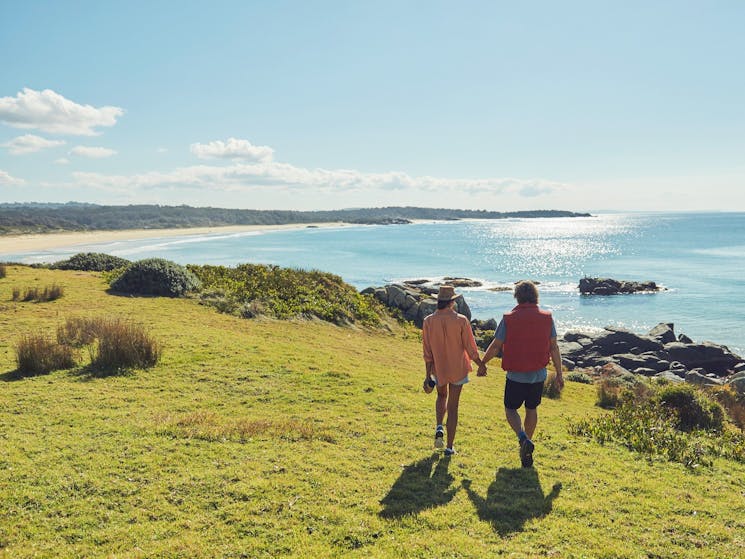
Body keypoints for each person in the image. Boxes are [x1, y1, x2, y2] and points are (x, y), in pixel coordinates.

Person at [478, 280, 563, 467]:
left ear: (517, 296)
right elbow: (554, 347)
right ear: (535, 296)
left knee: (510, 409)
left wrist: (482, 363)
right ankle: (526, 447)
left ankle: (523, 439)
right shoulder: (547, 318)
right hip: (538, 375)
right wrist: (559, 373)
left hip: (516, 375)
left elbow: (496, 346)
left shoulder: (508, 318)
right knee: (531, 409)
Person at [422, 285, 484, 456]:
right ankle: (449, 447)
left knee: (441, 396)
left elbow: (427, 353)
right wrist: (481, 364)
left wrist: (427, 376)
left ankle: (439, 426)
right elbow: (470, 347)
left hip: (438, 368)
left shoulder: (428, 321)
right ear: (452, 302)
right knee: (453, 406)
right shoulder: (461, 320)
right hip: (458, 368)